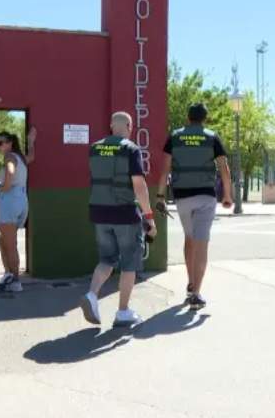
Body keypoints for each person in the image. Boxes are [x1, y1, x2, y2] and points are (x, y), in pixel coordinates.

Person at [80, 112, 157, 327]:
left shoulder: (94, 148)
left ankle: (92, 295)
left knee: (106, 260)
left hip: (99, 213)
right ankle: (123, 312)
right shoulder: (130, 148)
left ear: (112, 126)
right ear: (130, 126)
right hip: (124, 214)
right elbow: (139, 186)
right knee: (129, 263)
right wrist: (149, 216)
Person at [156, 103, 233, 311]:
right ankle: (196, 295)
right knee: (202, 243)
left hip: (182, 197)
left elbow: (164, 170)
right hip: (206, 196)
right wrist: (227, 195)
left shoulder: (175, 137)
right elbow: (224, 169)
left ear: (188, 118)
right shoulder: (211, 137)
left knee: (190, 239)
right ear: (204, 119)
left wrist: (160, 195)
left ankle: (190, 284)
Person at [0, 128, 36, 294]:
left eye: (1, 143)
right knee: (5, 240)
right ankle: (9, 275)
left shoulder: (9, 156)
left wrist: (3, 188)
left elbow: (10, 172)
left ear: (10, 143)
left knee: (10, 244)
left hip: (10, 200)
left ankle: (15, 281)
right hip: (21, 200)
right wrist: (31, 141)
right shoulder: (20, 157)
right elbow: (32, 157)